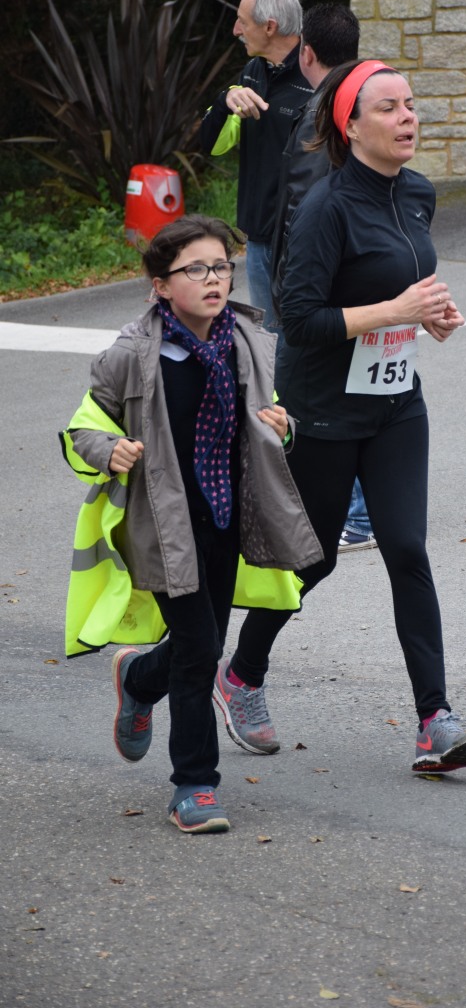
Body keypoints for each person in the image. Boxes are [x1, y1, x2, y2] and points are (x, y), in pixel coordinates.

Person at [217, 59, 466, 775]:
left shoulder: (417, 193)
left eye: (411, 104)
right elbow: (301, 320)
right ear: (352, 125)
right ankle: (239, 674)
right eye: (389, 108)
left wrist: (427, 314)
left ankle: (435, 720)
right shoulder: (325, 209)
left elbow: (403, 279)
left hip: (395, 406)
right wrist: (394, 309)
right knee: (310, 560)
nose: (408, 117)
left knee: (406, 548)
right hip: (323, 410)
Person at [60, 215, 321, 833]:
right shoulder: (131, 356)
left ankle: (139, 676)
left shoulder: (248, 342)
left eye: (222, 266)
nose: (214, 279)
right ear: (160, 286)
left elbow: (270, 418)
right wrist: (108, 450)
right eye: (196, 269)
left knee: (196, 646)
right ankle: (195, 785)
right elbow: (81, 429)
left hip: (227, 517)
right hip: (162, 525)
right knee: (201, 650)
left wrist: (283, 427)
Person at [269, 1, 375, 554]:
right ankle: (361, 511)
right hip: (361, 275)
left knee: (315, 396)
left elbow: (303, 208)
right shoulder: (365, 104)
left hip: (323, 284)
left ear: (306, 53)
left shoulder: (323, 111)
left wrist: (291, 288)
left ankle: (351, 516)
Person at [198, 0, 311, 320]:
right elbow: (212, 146)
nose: (236, 31)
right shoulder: (253, 71)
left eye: (242, 22)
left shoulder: (317, 75)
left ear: (270, 27)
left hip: (305, 239)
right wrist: (225, 101)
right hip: (260, 238)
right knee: (268, 337)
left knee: (304, 334)